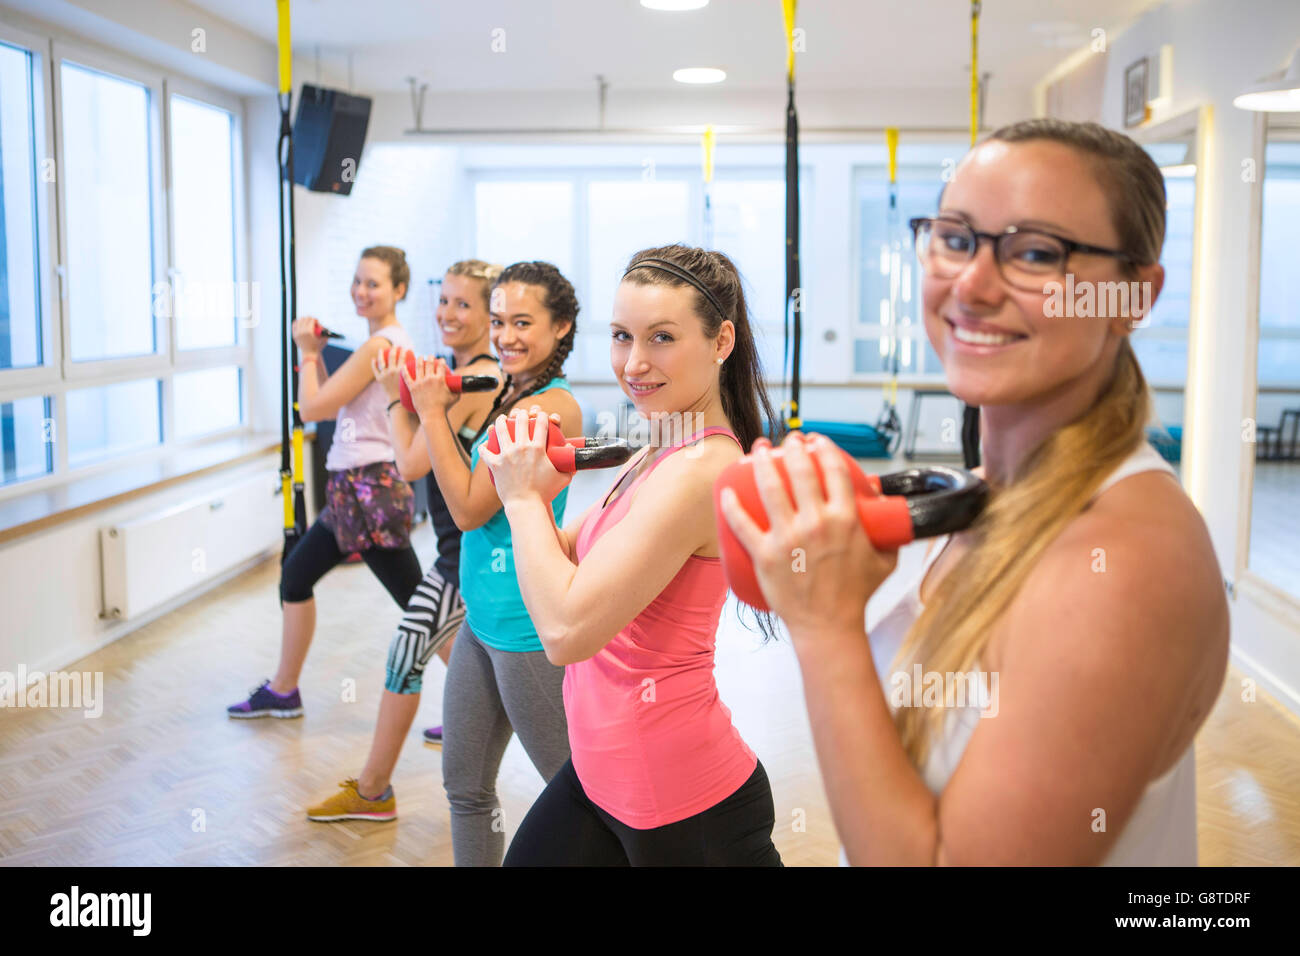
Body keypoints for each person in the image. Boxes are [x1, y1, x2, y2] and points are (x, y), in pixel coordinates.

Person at [718, 118, 1230, 865]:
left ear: (1134, 293)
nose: (973, 285)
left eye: (1035, 253)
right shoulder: (986, 495)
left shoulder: (1119, 564)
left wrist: (826, 628)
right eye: (957, 238)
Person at [484, 245, 783, 866]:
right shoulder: (663, 443)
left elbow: (567, 631)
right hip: (599, 778)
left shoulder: (702, 467)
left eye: (662, 337)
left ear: (722, 340)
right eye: (622, 336)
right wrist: (533, 491)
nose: (635, 363)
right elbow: (568, 557)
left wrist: (518, 499)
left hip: (684, 803)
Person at [305, 260, 502, 821]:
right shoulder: (455, 370)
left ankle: (373, 792)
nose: (448, 314)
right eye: (445, 302)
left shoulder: (481, 378)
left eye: (464, 305)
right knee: (472, 665)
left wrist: (395, 395)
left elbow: (412, 463)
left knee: (405, 654)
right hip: (459, 551)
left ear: (490, 315)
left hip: (462, 555)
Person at [412, 261, 582, 865]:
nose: (506, 335)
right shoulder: (507, 392)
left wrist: (431, 411)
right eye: (499, 321)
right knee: (464, 788)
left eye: (523, 322)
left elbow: (464, 507)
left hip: (522, 626)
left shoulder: (546, 408)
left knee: (581, 793)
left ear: (561, 327)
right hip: (481, 620)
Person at [229, 246, 423, 719]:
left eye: (373, 283)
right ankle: (284, 689)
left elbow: (313, 409)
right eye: (357, 280)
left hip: (367, 490)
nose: (361, 291)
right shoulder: (386, 342)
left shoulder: (379, 347)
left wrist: (307, 353)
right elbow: (331, 404)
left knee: (418, 603)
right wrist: (314, 357)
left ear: (398, 290)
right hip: (355, 487)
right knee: (295, 577)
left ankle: (480, 701)